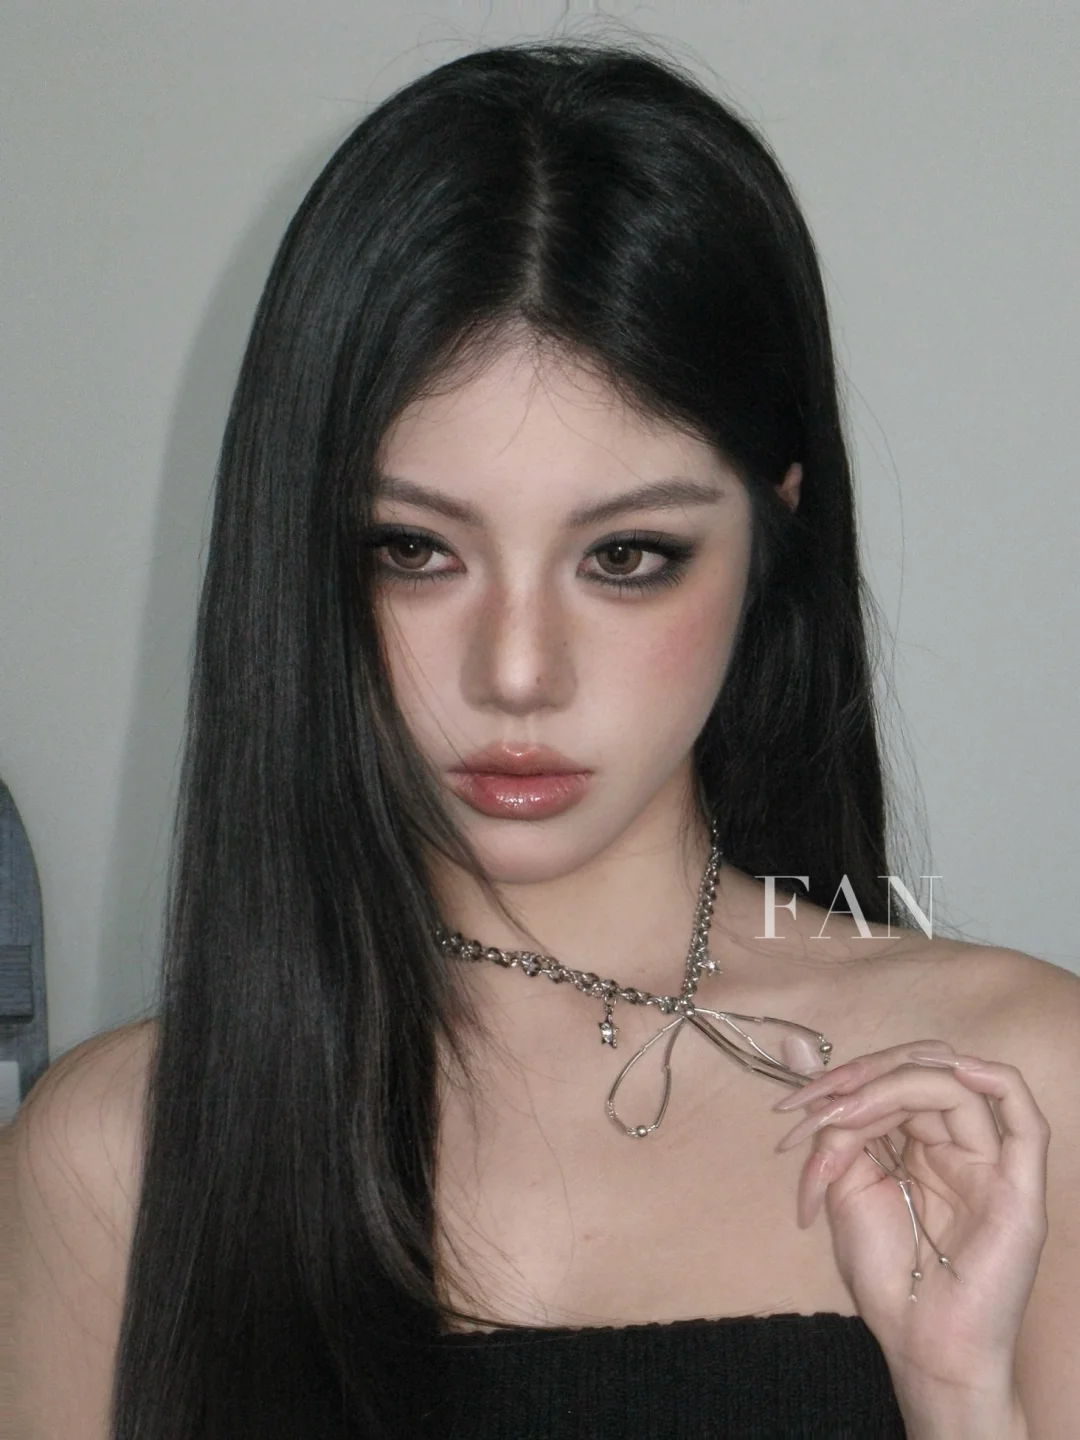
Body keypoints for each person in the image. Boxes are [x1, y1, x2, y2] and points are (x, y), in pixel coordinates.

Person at [12, 36, 1080, 1440]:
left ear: (774, 531)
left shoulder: (1014, 1099)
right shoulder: (116, 1160)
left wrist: (959, 1401)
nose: (517, 672)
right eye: (415, 550)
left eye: (626, 556)